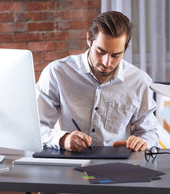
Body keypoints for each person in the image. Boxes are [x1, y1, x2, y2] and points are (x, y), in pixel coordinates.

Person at [36, 11, 159, 153]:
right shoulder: (57, 73)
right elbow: (36, 128)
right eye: (100, 52)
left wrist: (142, 142)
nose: (106, 62)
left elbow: (150, 132)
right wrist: (63, 139)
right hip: (69, 163)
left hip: (119, 167)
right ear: (89, 39)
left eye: (115, 55)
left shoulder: (139, 81)